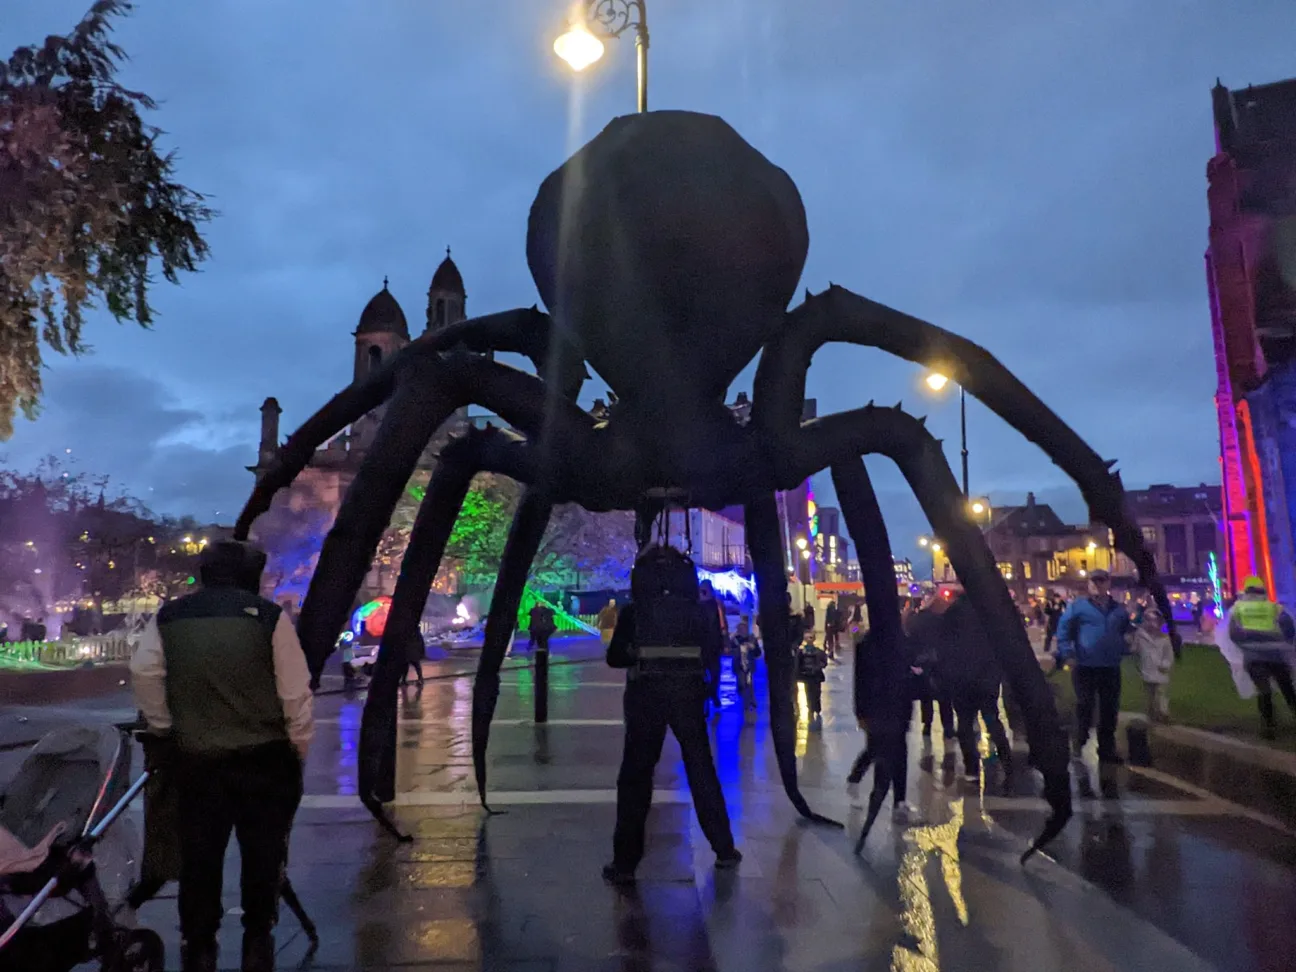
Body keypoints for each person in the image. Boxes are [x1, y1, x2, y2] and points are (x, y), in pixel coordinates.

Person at [129, 540, 313, 972]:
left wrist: (164, 727)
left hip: (196, 761)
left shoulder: (170, 617)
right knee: (263, 854)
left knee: (200, 857)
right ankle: (257, 941)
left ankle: (199, 945)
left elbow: (145, 672)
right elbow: (295, 695)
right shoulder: (269, 618)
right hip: (263, 760)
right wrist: (297, 753)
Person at [603, 545, 739, 884]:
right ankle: (723, 848)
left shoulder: (635, 612)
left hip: (645, 695)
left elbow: (615, 658)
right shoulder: (699, 612)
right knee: (701, 769)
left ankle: (625, 863)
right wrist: (707, 691)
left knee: (635, 776)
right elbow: (712, 656)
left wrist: (638, 653)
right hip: (687, 695)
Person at [1056, 568, 1131, 763]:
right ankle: (1079, 743)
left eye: (1101, 581)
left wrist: (1126, 644)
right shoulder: (1078, 607)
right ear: (1089, 584)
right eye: (1094, 582)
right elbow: (1063, 630)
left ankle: (1107, 749)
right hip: (1085, 666)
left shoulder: (1118, 609)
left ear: (1108, 584)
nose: (1097, 585)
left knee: (1109, 709)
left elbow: (1126, 631)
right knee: (1085, 706)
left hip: (1110, 666)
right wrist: (1067, 654)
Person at [939, 593, 1013, 781]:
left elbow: (943, 645)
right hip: (986, 679)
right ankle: (1007, 762)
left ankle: (971, 768)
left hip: (962, 679)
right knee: (991, 719)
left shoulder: (952, 613)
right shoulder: (990, 613)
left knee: (964, 723)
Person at [1228, 575, 1296, 739]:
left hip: (1254, 657)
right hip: (1276, 655)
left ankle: (1269, 725)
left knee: (1263, 689)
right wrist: (1282, 643)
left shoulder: (1238, 608)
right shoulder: (1274, 607)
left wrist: (1246, 644)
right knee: (1287, 687)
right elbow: (1289, 629)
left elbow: (1233, 634)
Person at [905, 597, 956, 739]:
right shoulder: (941, 621)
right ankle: (948, 728)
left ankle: (927, 726)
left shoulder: (915, 620)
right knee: (944, 698)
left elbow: (910, 640)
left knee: (925, 698)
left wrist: (913, 662)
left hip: (921, 662)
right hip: (940, 662)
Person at [1131, 604, 1174, 723]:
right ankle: (1151, 715)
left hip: (1161, 671)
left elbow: (1168, 655)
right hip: (1147, 670)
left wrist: (1165, 664)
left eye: (1154, 621)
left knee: (1161, 693)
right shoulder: (1140, 636)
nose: (1151, 624)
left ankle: (1163, 713)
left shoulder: (1164, 639)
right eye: (1148, 620)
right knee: (1149, 695)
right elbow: (1135, 649)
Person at [796, 633, 828, 730]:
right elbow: (798, 664)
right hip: (807, 676)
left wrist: (817, 667)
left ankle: (817, 709)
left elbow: (824, 662)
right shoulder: (801, 652)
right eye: (807, 637)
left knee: (817, 693)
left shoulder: (818, 652)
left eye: (811, 637)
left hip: (815, 676)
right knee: (808, 693)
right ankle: (811, 708)